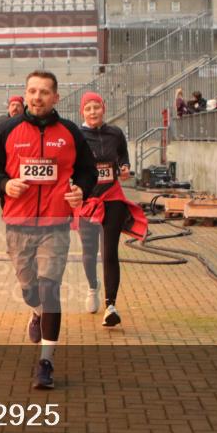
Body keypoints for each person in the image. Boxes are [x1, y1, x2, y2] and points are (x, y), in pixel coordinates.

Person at [0, 70, 98, 389]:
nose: (37, 97)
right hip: (17, 224)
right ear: (25, 93)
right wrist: (5, 184)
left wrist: (80, 192)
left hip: (56, 225)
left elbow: (89, 172)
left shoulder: (71, 132)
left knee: (50, 290)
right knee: (30, 290)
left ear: (56, 97)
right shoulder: (5, 129)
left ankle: (46, 362)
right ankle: (35, 312)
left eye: (44, 92)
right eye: (32, 91)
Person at [74, 92, 146, 326]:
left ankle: (110, 305)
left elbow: (123, 154)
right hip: (87, 199)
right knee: (89, 250)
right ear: (82, 112)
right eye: (88, 108)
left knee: (109, 251)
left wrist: (124, 167)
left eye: (96, 107)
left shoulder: (115, 133)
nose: (93, 112)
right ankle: (92, 288)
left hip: (112, 197)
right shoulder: (77, 135)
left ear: (103, 108)